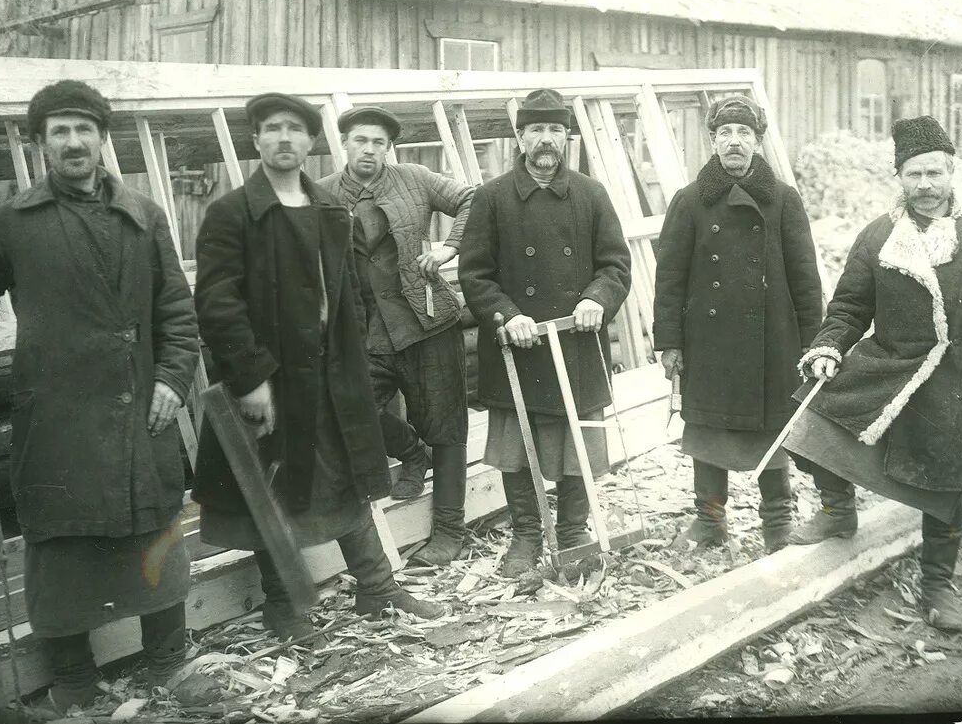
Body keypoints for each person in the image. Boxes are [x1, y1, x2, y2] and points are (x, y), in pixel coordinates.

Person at [0, 80, 209, 710]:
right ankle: (74, 683)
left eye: (84, 129)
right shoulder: (12, 222)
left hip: (141, 406)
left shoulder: (143, 215)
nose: (74, 142)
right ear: (41, 144)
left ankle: (168, 663)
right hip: (58, 415)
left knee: (153, 533)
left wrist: (171, 379)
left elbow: (177, 314)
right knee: (62, 547)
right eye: (60, 131)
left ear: (103, 138)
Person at [191, 93, 445, 644]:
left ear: (311, 142)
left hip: (333, 379)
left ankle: (378, 589)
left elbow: (351, 296)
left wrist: (354, 361)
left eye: (295, 130)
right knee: (271, 490)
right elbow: (216, 303)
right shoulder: (231, 213)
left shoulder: (331, 213)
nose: (284, 139)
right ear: (256, 141)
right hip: (270, 385)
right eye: (272, 129)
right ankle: (286, 607)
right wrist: (250, 379)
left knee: (349, 481)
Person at [786, 115, 962, 632]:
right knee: (810, 416)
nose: (925, 186)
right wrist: (829, 347)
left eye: (934, 174)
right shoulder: (878, 234)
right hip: (890, 364)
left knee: (945, 482)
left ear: (952, 174)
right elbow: (850, 306)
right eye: (914, 175)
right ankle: (838, 509)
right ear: (898, 177)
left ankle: (938, 584)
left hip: (960, 378)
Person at [458, 88, 632, 577]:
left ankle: (574, 531)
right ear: (520, 137)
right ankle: (527, 536)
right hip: (519, 346)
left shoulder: (591, 194)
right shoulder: (492, 198)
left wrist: (597, 298)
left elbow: (616, 263)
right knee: (517, 446)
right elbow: (475, 274)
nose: (546, 139)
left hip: (576, 342)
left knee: (576, 443)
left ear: (567, 137)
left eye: (555, 129)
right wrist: (506, 314)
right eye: (536, 129)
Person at [653, 94, 824, 554]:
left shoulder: (784, 200)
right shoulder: (689, 201)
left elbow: (806, 280)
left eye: (744, 133)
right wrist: (669, 341)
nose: (734, 142)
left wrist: (816, 344)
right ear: (712, 141)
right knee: (707, 428)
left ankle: (777, 522)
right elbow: (669, 277)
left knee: (772, 426)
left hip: (773, 340)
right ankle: (710, 520)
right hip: (707, 341)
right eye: (725, 133)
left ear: (758, 142)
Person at [317, 106, 474, 565]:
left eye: (380, 143)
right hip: (362, 333)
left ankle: (449, 533)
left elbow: (472, 199)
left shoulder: (415, 178)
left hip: (427, 322)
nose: (370, 150)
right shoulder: (321, 194)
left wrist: (450, 247)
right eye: (361, 140)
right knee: (345, 410)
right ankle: (410, 453)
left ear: (389, 148)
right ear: (344, 143)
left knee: (446, 427)